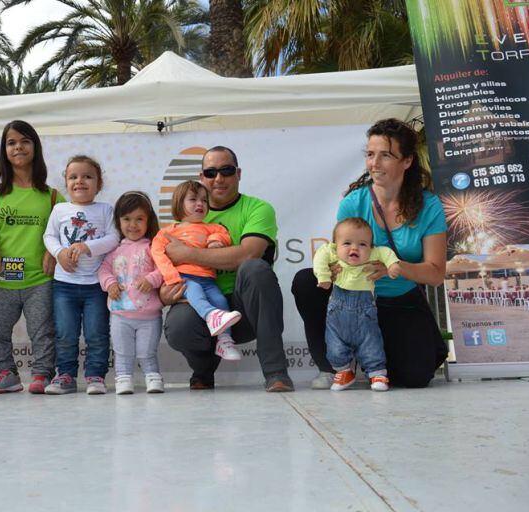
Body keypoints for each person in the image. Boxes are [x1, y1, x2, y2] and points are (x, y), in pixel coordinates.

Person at [292, 118, 448, 389]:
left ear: (407, 161)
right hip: (353, 299)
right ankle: (334, 366)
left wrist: (393, 268)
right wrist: (334, 268)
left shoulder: (429, 205)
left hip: (398, 298)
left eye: (385, 155)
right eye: (370, 154)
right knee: (306, 281)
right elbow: (335, 251)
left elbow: (435, 274)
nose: (374, 163)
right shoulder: (354, 202)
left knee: (413, 378)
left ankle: (373, 359)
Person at [159, 146, 293, 392]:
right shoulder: (186, 220)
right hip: (201, 306)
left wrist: (190, 253)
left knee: (255, 268)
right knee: (179, 327)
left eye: (226, 171)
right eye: (210, 172)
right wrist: (162, 294)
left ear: (238, 174)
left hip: (246, 311)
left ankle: (276, 373)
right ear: (202, 177)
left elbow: (248, 253)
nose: (218, 178)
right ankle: (203, 370)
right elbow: (164, 263)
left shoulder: (258, 208)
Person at [0, 120, 61, 394]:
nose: (18, 147)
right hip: (1, 280)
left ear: (35, 147)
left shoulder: (53, 197)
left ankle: (42, 375)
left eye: (24, 141)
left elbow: (65, 230)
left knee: (43, 331)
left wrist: (53, 252)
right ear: (4, 151)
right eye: (11, 143)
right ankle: (5, 374)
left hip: (40, 279)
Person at [43, 155, 118, 395]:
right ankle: (65, 375)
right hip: (64, 286)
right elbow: (49, 237)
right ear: (66, 182)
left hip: (96, 285)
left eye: (87, 176)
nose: (80, 181)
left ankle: (95, 375)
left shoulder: (106, 209)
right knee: (66, 333)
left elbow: (114, 238)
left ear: (99, 184)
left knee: (97, 333)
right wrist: (60, 253)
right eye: (73, 177)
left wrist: (88, 247)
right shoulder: (59, 209)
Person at [151, 181, 242, 361]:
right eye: (193, 199)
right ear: (179, 204)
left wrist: (216, 241)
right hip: (184, 279)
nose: (200, 204)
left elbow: (223, 234)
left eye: (204, 200)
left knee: (220, 299)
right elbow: (158, 254)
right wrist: (172, 278)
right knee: (196, 293)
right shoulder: (168, 232)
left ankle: (224, 341)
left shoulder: (211, 227)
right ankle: (210, 315)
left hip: (208, 279)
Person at [313, 217, 400, 392]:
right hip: (337, 313)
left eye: (362, 244)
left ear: (370, 247)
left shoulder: (374, 254)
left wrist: (392, 265)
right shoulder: (331, 253)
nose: (354, 248)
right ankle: (344, 371)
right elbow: (320, 257)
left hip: (365, 313)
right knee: (334, 346)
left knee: (371, 343)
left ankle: (377, 373)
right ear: (335, 246)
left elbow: (386, 252)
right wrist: (323, 276)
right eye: (347, 243)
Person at [98, 191, 165, 394]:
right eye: (127, 219)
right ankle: (123, 378)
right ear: (118, 221)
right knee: (122, 351)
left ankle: (152, 377)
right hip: (120, 315)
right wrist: (110, 284)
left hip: (149, 315)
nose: (132, 225)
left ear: (148, 221)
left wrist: (152, 279)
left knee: (146, 352)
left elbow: (164, 268)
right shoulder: (114, 250)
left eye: (139, 219)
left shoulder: (153, 247)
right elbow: (103, 270)